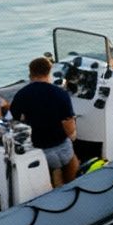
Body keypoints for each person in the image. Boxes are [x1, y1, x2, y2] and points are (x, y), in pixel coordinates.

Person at [9, 57, 79, 187]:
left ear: (30, 74)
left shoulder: (22, 95)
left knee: (54, 173)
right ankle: (74, 185)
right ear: (49, 72)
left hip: (41, 151)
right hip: (63, 148)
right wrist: (73, 136)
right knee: (72, 157)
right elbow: (69, 125)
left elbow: (15, 120)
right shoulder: (61, 94)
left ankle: (54, 185)